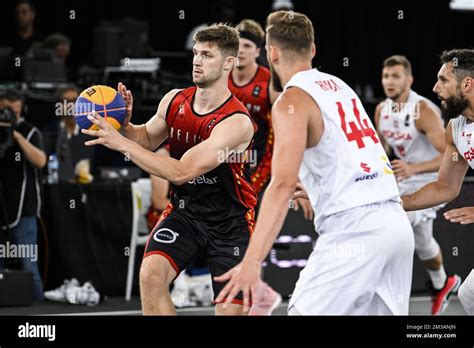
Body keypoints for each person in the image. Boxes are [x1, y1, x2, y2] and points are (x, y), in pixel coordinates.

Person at [214, 10, 414, 315]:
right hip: (396, 226)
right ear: (313, 49)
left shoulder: (291, 101)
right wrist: (319, 187)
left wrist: (251, 262)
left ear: (272, 53)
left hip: (354, 231)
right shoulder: (341, 87)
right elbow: (356, 154)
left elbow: (281, 186)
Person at [81, 24, 258, 315]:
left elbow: (181, 172)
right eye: (196, 53)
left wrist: (121, 144)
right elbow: (147, 139)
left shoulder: (236, 122)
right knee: (151, 275)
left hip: (231, 223)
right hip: (185, 212)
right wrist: (124, 126)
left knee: (230, 312)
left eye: (208, 55)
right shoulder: (174, 99)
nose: (197, 61)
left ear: (229, 62)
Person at [374, 55, 461, 315]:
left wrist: (413, 167)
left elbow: (450, 155)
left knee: (390, 225)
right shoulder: (381, 110)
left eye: (396, 76)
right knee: (423, 242)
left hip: (430, 180)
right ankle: (442, 283)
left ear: (409, 80)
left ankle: (380, 294)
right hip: (404, 180)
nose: (389, 81)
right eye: (386, 76)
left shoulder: (422, 111)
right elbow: (382, 148)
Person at [401, 48, 474, 316]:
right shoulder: (456, 129)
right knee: (470, 295)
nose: (434, 88)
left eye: (443, 80)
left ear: (467, 84)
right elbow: (445, 187)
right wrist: (399, 203)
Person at [230, 19, 313, 220]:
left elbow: (289, 131)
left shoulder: (270, 83)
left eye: (247, 46)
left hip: (260, 162)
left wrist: (298, 177)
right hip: (225, 158)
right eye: (237, 45)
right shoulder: (220, 77)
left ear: (258, 52)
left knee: (249, 219)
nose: (241, 51)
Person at [0, 88, 46, 302]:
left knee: (28, 263)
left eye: (14, 110)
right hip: (2, 204)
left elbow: (40, 161)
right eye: (5, 110)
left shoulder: (29, 131)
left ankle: (36, 308)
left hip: (23, 207)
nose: (10, 114)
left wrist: (15, 134)